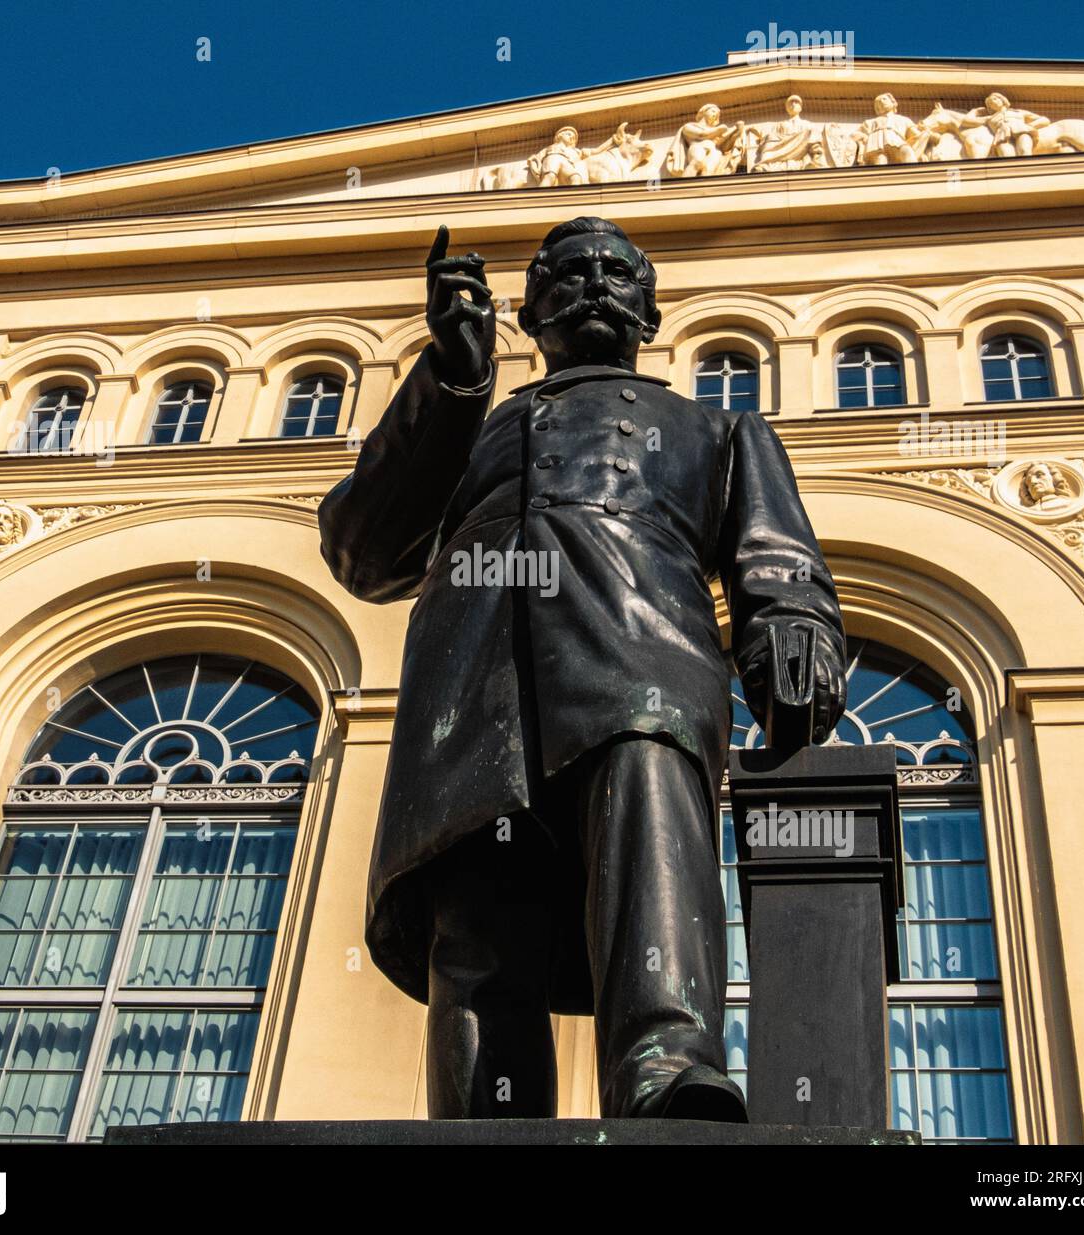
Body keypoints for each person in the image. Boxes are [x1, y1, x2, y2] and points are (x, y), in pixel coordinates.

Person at [319, 218, 846, 1120]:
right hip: (474, 685)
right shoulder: (466, 425)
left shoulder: (715, 427)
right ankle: (484, 1117)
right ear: (526, 310)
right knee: (478, 911)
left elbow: (775, 551)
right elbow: (363, 552)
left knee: (648, 836)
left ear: (647, 307)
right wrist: (451, 380)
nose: (593, 282)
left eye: (614, 271)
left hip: (643, 650)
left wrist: (793, 626)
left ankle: (666, 1066)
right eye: (566, 271)